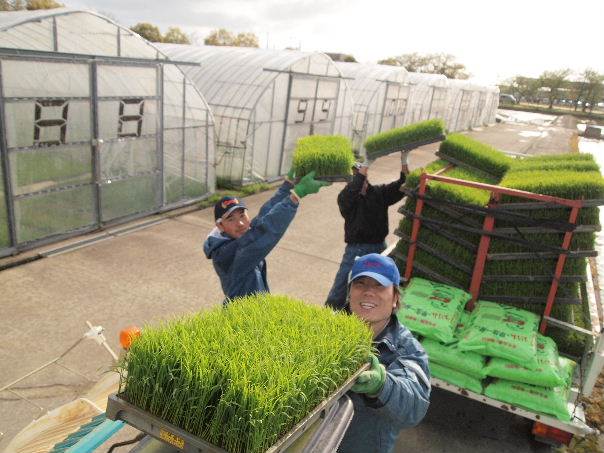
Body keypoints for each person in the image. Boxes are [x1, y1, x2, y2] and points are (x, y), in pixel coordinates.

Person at [339, 253, 430, 453]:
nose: (368, 292)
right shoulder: (325, 329)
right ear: (350, 292)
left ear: (396, 298)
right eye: (360, 283)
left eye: (379, 285)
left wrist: (382, 385)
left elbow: (415, 407)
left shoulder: (407, 349)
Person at [204, 170, 329, 303]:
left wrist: (288, 185)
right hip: (244, 316)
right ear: (220, 226)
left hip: (257, 308)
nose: (240, 223)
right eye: (231, 219)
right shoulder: (226, 254)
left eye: (242, 215)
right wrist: (295, 197)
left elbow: (264, 215)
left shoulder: (237, 236)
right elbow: (263, 232)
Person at [325, 158, 409, 310]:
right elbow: (354, 187)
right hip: (356, 250)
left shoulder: (378, 193)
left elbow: (403, 185)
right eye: (355, 176)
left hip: (380, 247)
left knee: (379, 285)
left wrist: (404, 160)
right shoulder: (346, 198)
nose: (357, 178)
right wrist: (363, 168)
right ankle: (328, 317)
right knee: (342, 287)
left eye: (359, 175)